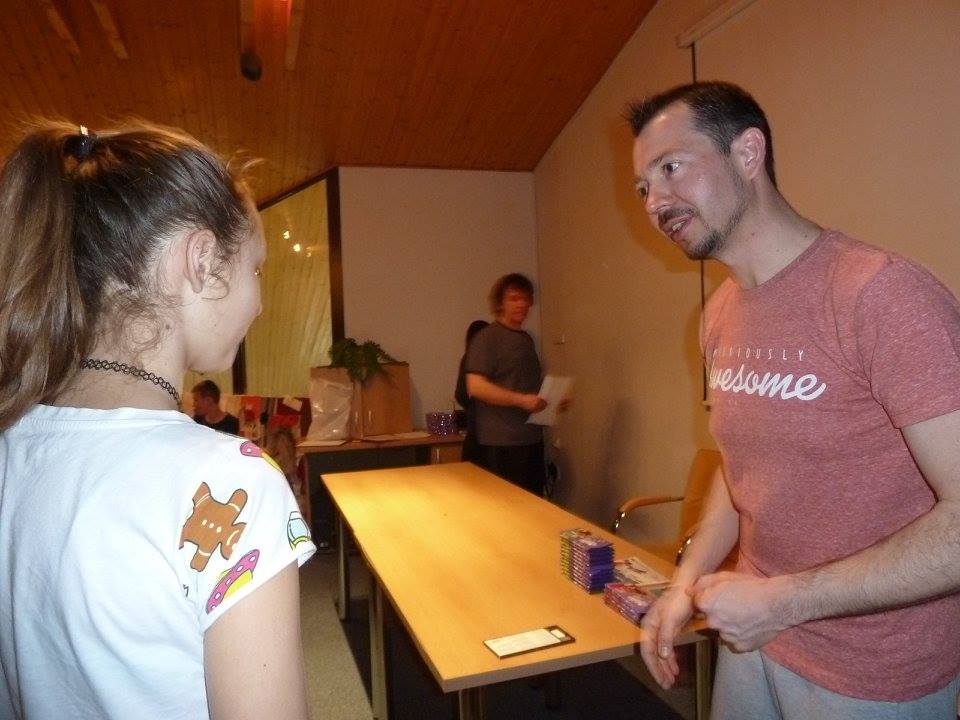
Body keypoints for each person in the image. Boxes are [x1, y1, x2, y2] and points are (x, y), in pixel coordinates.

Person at [628, 81, 960, 718]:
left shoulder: (881, 295)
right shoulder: (719, 314)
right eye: (643, 187)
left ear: (748, 153)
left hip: (872, 671)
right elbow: (742, 470)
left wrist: (784, 601)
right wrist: (684, 585)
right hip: (756, 640)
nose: (655, 202)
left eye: (671, 168)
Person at [0, 121, 315, 719]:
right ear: (202, 260)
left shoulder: (11, 444)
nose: (259, 302)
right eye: (256, 269)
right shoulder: (232, 482)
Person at [465, 273, 549, 494]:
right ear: (500, 303)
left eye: (525, 298)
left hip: (531, 438)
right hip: (501, 442)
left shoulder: (526, 339)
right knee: (505, 505)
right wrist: (521, 400)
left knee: (533, 504)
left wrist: (551, 401)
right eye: (514, 298)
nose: (521, 304)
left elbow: (525, 385)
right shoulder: (487, 338)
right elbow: (476, 386)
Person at [454, 319, 489, 464]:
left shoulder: (468, 358)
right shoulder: (488, 359)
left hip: (475, 428)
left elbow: (460, 395)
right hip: (491, 430)